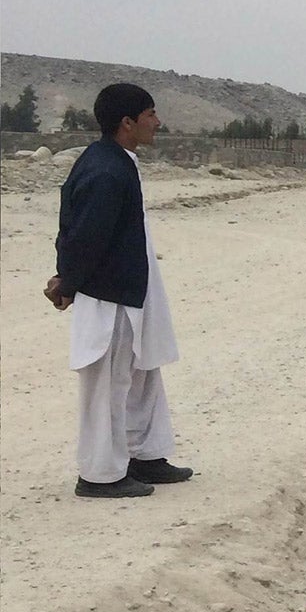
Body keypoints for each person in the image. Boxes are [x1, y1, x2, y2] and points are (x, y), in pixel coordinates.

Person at [44, 83, 194, 499]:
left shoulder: (116, 160)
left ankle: (144, 455)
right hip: (110, 297)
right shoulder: (106, 170)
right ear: (127, 122)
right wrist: (68, 282)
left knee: (144, 374)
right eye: (150, 114)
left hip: (133, 290)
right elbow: (84, 234)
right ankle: (99, 475)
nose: (157, 122)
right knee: (107, 385)